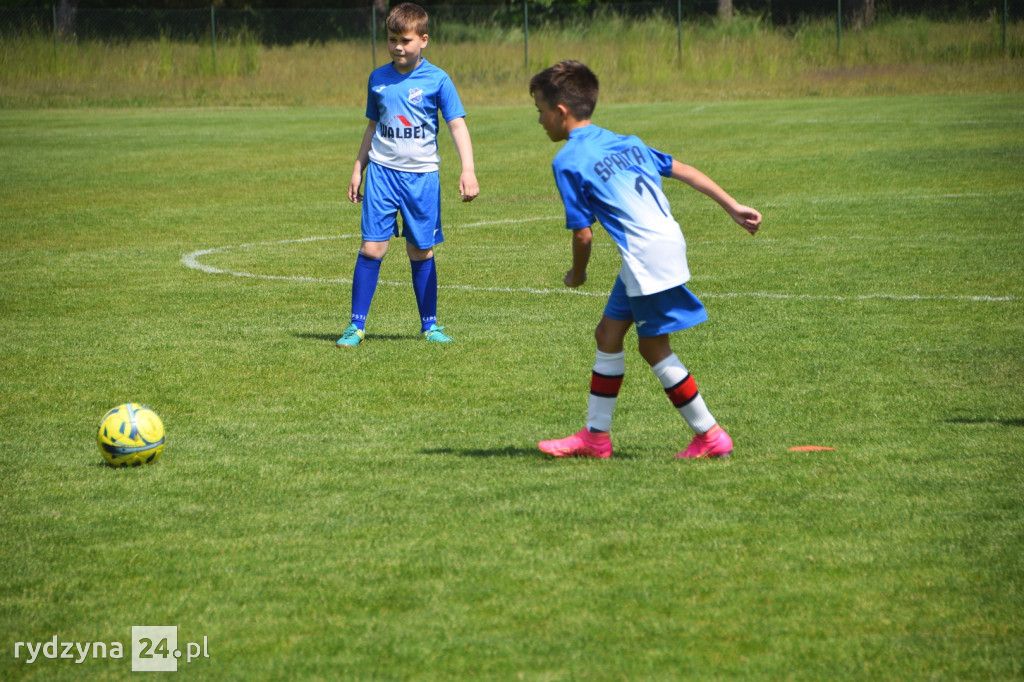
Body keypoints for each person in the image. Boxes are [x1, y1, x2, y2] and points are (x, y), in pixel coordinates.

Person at [530, 61, 762, 459]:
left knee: (654, 347)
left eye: (540, 111)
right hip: (662, 243)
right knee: (608, 335)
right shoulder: (628, 142)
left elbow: (583, 234)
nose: (539, 120)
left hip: (644, 256)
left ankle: (709, 434)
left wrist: (577, 274)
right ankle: (596, 438)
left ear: (561, 111)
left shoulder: (568, 160)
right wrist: (731, 205)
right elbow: (682, 169)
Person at [337, 2, 479, 347]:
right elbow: (372, 127)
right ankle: (356, 326)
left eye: (405, 40)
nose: (398, 47)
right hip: (382, 174)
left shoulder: (438, 79)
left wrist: (468, 169)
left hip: (422, 177)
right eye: (392, 40)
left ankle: (430, 326)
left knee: (421, 250)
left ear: (423, 40)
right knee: (372, 247)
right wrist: (358, 167)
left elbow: (457, 125)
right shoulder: (377, 79)